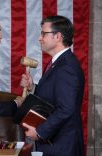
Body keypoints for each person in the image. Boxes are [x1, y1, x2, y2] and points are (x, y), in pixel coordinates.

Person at [20, 15, 85, 155]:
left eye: (44, 33)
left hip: (62, 146)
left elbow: (66, 108)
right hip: (55, 144)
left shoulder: (66, 67)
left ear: (58, 36)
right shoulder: (58, 63)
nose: (39, 38)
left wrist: (40, 132)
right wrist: (33, 87)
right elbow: (53, 96)